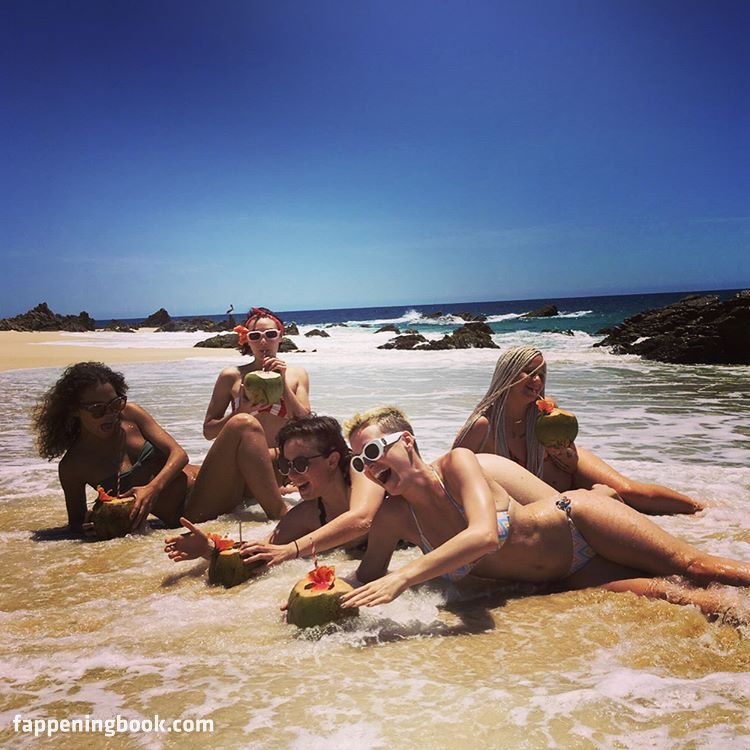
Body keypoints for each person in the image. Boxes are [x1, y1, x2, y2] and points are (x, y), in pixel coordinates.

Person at [340, 406, 750, 622]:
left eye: (373, 451)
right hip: (567, 577)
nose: (369, 467)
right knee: (684, 597)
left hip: (580, 524)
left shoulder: (457, 464)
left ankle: (603, 495)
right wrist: (323, 591)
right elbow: (367, 576)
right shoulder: (393, 516)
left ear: (406, 441)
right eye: (359, 462)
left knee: (696, 567)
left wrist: (404, 576)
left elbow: (483, 535)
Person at [31, 362, 288, 536]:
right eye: (98, 409)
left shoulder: (130, 414)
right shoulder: (73, 466)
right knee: (243, 424)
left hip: (213, 481)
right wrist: (93, 525)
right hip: (191, 510)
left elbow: (179, 454)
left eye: (115, 404)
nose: (110, 414)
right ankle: (282, 517)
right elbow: (77, 524)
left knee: (290, 457)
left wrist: (151, 488)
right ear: (74, 411)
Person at [453, 346, 703, 515]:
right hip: (551, 500)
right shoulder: (482, 427)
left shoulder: (544, 412)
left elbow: (570, 461)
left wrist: (566, 454)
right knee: (606, 504)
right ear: (507, 374)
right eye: (528, 372)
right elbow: (450, 476)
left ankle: (702, 509)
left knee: (630, 492)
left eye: (541, 374)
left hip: (569, 474)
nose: (537, 380)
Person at [164, 415, 385, 569]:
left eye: (300, 464)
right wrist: (211, 550)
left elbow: (361, 519)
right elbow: (262, 551)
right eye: (286, 466)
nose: (292, 475)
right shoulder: (305, 515)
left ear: (332, 461)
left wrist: (291, 550)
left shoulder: (362, 468)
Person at [202, 306, 311, 444]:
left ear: (280, 337)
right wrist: (239, 413)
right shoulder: (231, 376)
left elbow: (307, 426)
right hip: (243, 455)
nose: (263, 341)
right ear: (246, 339)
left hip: (282, 455)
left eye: (270, 334)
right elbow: (209, 432)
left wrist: (283, 383)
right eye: (255, 336)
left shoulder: (297, 375)